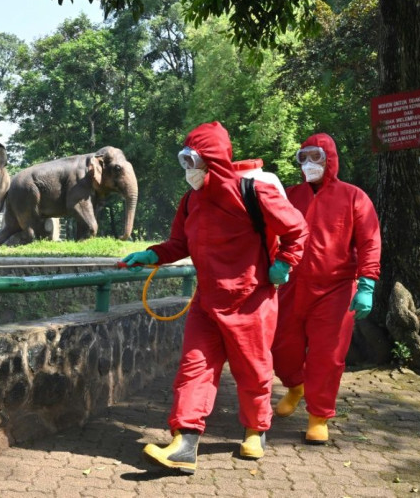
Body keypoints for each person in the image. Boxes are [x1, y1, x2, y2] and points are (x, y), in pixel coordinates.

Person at [121, 121, 308, 473]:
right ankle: (184, 443)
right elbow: (180, 243)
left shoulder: (253, 192)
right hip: (207, 303)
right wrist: (153, 254)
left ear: (213, 160)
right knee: (193, 369)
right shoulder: (192, 201)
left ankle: (256, 430)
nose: (187, 170)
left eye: (193, 160)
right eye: (184, 161)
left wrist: (285, 263)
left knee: (253, 371)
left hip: (251, 300)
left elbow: (297, 228)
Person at [271, 133, 381, 445]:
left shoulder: (354, 197)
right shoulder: (290, 196)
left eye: (315, 157)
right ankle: (295, 386)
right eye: (303, 157)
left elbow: (370, 241)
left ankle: (318, 415)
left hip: (336, 290)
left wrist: (368, 283)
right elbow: (269, 232)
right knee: (282, 347)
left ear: (329, 159)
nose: (308, 164)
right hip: (291, 286)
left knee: (327, 355)